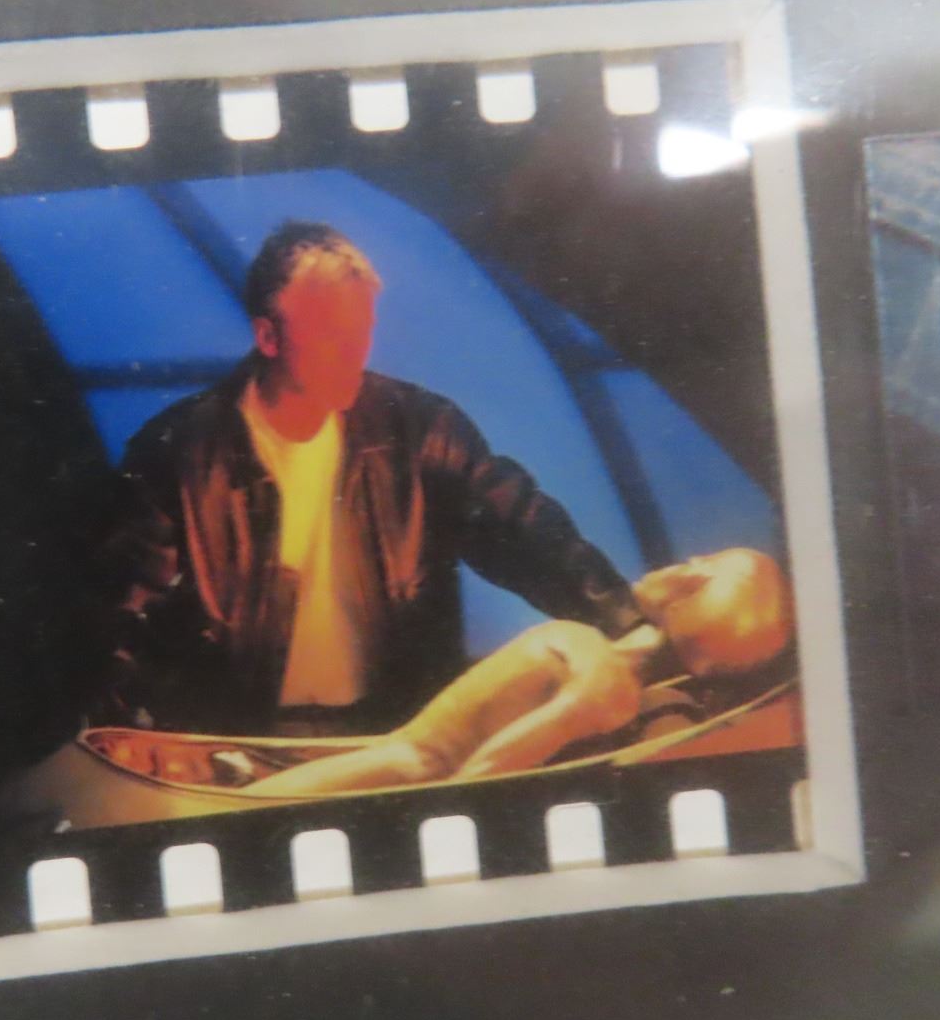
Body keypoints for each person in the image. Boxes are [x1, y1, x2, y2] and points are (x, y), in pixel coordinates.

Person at [93, 219, 646, 741]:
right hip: (235, 754)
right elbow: (117, 619)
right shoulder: (177, 452)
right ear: (268, 336)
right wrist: (119, 735)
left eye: (363, 332)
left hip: (397, 739)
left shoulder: (422, 431)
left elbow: (524, 534)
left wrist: (630, 625)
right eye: (332, 335)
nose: (355, 354)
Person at [240, 546, 791, 796]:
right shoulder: (598, 655)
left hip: (407, 767)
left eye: (703, 569)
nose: (688, 562)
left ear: (690, 598)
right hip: (397, 752)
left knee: (259, 808)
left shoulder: (604, 681)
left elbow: (486, 774)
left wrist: (439, 813)